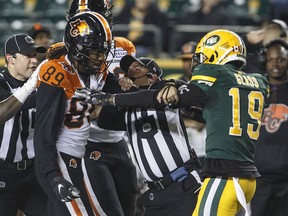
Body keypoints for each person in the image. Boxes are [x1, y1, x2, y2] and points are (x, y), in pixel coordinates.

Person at [155, 29, 270, 215]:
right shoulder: (258, 81)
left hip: (224, 175)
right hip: (247, 178)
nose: (198, 62)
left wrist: (171, 84)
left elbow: (177, 98)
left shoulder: (215, 73)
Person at [75, 55, 205, 216]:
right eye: (128, 71)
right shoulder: (127, 110)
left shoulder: (165, 90)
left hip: (183, 184)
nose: (130, 72)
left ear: (153, 75)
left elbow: (165, 91)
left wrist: (111, 98)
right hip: (155, 193)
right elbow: (98, 117)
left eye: (137, 68)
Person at [33, 11, 114, 216]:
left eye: (103, 50)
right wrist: (53, 176)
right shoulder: (57, 71)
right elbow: (43, 132)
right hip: (59, 158)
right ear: (77, 48)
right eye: (94, 50)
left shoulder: (94, 73)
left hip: (77, 157)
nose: (100, 57)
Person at [67, 1, 138, 215]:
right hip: (87, 141)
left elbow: (131, 95)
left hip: (118, 140)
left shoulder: (124, 47)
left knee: (130, 207)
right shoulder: (65, 52)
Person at [0, 33, 47, 216]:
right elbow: (2, 112)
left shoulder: (41, 83)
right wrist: (31, 87)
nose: (34, 61)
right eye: (28, 55)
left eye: (36, 55)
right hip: (3, 172)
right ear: (10, 59)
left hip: (34, 171)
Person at [250, 39, 288, 216]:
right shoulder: (253, 91)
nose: (276, 63)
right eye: (271, 59)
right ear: (264, 60)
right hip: (259, 178)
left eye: (280, 59)